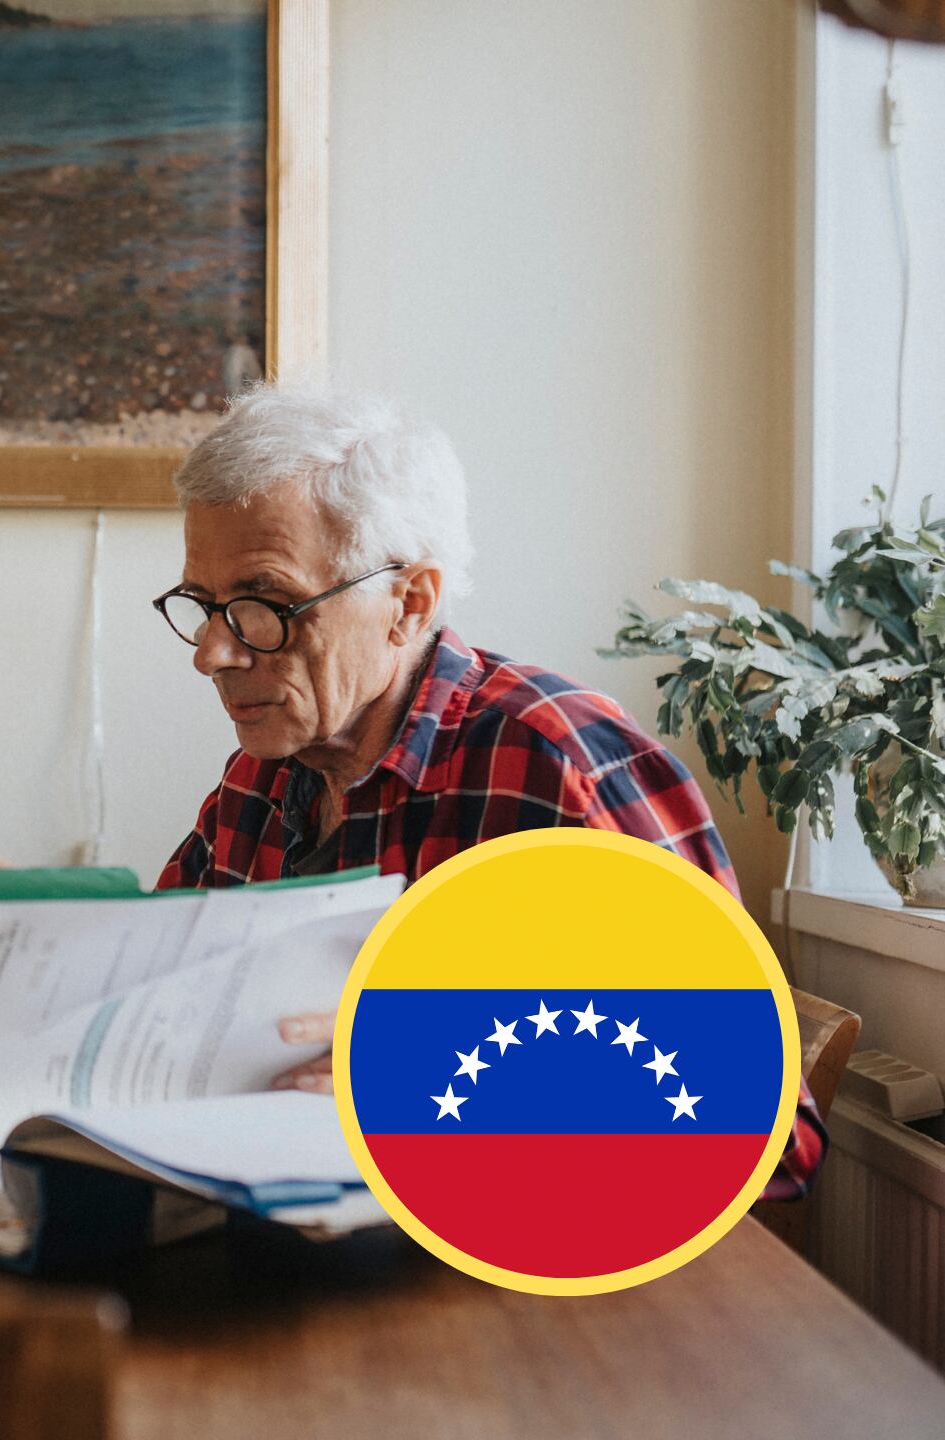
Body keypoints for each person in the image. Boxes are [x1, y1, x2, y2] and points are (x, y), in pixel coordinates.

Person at [153, 382, 824, 1200]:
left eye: (265, 605)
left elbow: (767, 1134)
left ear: (410, 603)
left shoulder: (556, 767)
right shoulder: (260, 779)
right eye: (206, 607)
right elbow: (163, 1001)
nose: (214, 654)